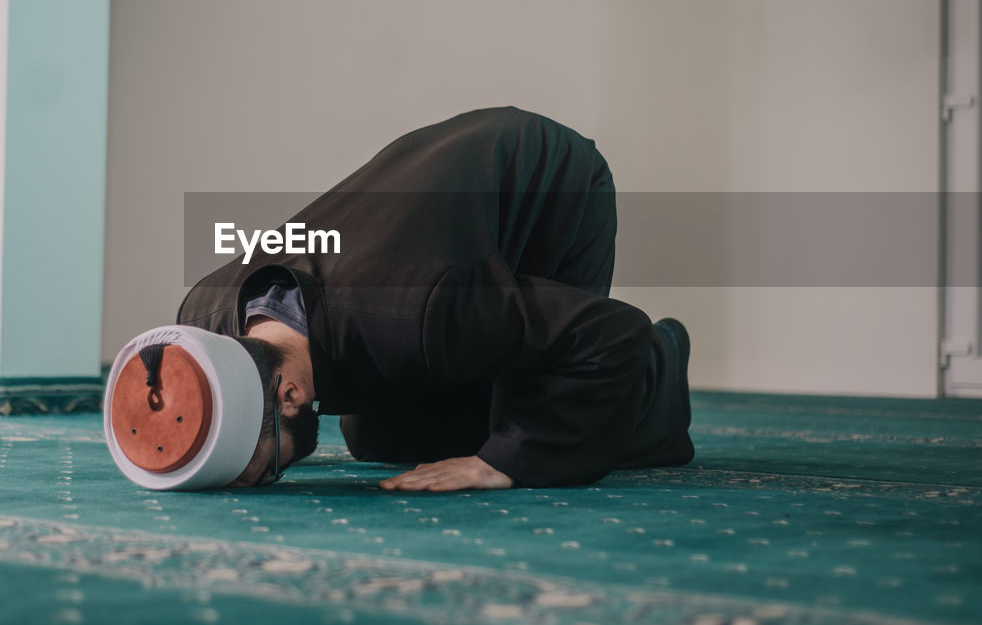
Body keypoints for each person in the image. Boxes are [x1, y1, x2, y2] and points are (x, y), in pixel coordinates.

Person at [102, 106, 694, 492]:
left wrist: (507, 461)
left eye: (268, 471)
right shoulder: (201, 314)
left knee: (536, 424)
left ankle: (661, 363)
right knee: (381, 441)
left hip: (548, 186)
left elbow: (609, 330)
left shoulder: (423, 310)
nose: (266, 479)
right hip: (429, 235)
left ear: (288, 394)